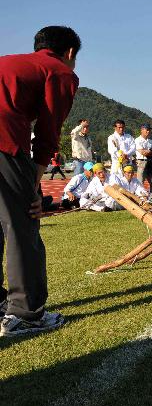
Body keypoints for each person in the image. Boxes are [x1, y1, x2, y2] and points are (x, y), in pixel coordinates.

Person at [0, 25, 80, 336]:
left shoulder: (10, 62)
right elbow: (48, 130)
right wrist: (32, 185)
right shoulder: (58, 70)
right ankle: (26, 314)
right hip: (4, 140)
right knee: (22, 223)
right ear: (70, 53)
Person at [135, 123, 152, 198]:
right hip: (141, 161)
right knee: (140, 181)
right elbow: (143, 152)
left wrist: (149, 151)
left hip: (151, 162)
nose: (148, 131)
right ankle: (140, 197)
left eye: (149, 130)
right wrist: (151, 151)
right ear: (142, 130)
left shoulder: (151, 141)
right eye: (147, 130)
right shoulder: (137, 140)